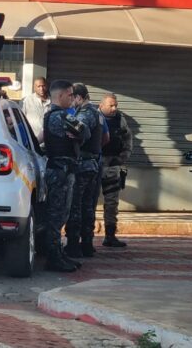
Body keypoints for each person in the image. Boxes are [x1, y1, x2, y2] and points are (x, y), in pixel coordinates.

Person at [42, 80, 86, 272]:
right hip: (60, 171)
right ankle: (53, 257)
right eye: (70, 95)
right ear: (60, 96)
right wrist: (77, 135)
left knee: (62, 214)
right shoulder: (60, 116)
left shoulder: (57, 115)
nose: (72, 98)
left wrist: (78, 135)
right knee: (57, 215)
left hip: (64, 170)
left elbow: (82, 133)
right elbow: (84, 131)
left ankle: (58, 254)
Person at [65, 83, 101, 258]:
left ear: (79, 97)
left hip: (82, 165)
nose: (72, 101)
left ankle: (73, 245)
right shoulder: (96, 112)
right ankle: (87, 243)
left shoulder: (86, 113)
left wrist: (71, 131)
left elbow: (80, 128)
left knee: (76, 207)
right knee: (87, 206)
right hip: (92, 164)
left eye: (73, 98)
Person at [99, 93, 133, 247]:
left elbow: (128, 138)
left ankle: (110, 236)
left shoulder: (120, 119)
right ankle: (83, 239)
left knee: (112, 202)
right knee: (87, 202)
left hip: (113, 164)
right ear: (102, 105)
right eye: (110, 105)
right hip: (95, 164)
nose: (114, 108)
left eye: (115, 105)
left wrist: (123, 157)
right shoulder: (94, 117)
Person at [21, 77, 50, 144]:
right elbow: (22, 119)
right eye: (38, 86)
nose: (41, 89)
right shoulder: (28, 100)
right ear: (34, 88)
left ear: (47, 86)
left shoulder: (52, 100)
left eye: (43, 86)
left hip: (49, 142)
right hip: (33, 141)